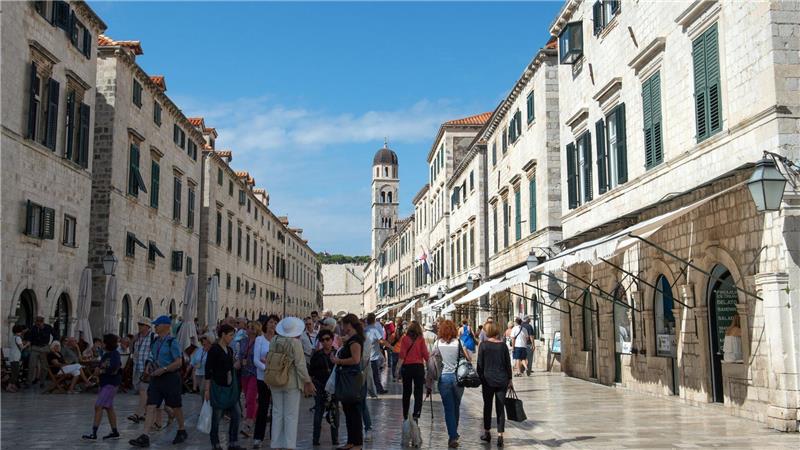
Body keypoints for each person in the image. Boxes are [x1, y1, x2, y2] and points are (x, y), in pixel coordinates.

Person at [129, 316, 188, 448]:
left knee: (175, 406)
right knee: (151, 405)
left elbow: (178, 362)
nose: (155, 327)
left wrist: (164, 369)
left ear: (166, 326)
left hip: (170, 378)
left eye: (157, 325)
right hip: (156, 378)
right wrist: (148, 365)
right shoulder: (156, 341)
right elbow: (152, 355)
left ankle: (182, 429)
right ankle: (145, 436)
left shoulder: (172, 342)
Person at [268, 317, 315, 450]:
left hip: (275, 380)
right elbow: (300, 365)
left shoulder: (274, 340)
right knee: (291, 414)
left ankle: (276, 444)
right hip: (291, 382)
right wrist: (308, 381)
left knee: (277, 413)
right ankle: (289, 445)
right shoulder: (295, 343)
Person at [427, 320, 469, 448]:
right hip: (458, 379)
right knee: (456, 407)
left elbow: (431, 364)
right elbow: (468, 358)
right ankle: (453, 434)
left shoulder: (437, 344)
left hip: (444, 379)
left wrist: (428, 382)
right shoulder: (459, 343)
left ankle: (452, 436)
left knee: (449, 409)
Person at [205, 324, 243, 450]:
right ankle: (215, 443)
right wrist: (207, 389)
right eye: (230, 335)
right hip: (218, 388)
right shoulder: (214, 349)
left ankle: (233, 442)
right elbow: (208, 370)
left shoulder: (230, 350)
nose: (232, 337)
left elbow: (230, 367)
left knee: (237, 414)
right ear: (223, 335)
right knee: (216, 417)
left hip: (230, 388)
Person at [331, 313, 364, 450]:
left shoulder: (355, 341)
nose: (342, 327)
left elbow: (355, 360)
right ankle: (351, 441)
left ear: (349, 325)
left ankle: (357, 443)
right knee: (349, 411)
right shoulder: (352, 339)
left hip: (351, 379)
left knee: (354, 412)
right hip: (348, 378)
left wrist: (338, 361)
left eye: (343, 325)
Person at [477, 321, 512, 447]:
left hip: (487, 380)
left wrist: (480, 378)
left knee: (487, 406)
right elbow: (508, 364)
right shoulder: (503, 346)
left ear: (486, 332)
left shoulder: (483, 346)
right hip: (502, 379)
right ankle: (500, 435)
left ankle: (487, 432)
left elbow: (479, 365)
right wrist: (510, 379)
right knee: (500, 408)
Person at [82, 334, 122, 441]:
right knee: (109, 407)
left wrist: (101, 371)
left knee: (98, 406)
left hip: (111, 384)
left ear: (108, 343)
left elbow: (115, 368)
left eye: (104, 342)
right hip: (105, 383)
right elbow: (100, 366)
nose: (102, 344)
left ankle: (94, 433)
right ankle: (115, 432)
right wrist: (97, 371)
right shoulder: (106, 355)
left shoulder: (115, 354)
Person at [252, 314, 279, 448]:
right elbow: (256, 360)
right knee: (263, 408)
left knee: (276, 409)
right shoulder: (259, 340)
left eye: (275, 322)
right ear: (266, 324)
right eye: (271, 322)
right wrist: (267, 370)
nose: (273, 325)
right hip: (263, 379)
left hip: (276, 380)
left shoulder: (279, 340)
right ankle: (258, 438)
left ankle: (274, 437)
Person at [309, 329, 339, 446]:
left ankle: (335, 440)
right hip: (319, 387)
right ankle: (315, 440)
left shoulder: (337, 354)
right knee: (318, 414)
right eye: (323, 340)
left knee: (334, 414)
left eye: (328, 339)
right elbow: (311, 372)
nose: (325, 342)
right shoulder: (317, 355)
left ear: (332, 340)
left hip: (333, 389)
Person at [396, 321, 429, 421]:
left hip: (407, 368)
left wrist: (397, 369)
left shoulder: (405, 339)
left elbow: (402, 355)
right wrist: (429, 369)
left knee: (406, 392)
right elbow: (426, 355)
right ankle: (416, 413)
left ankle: (405, 414)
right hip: (419, 367)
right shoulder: (421, 339)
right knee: (418, 392)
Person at [128, 319, 154, 425]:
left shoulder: (153, 337)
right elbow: (131, 351)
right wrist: (132, 341)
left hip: (147, 369)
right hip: (137, 368)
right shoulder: (137, 337)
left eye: (142, 325)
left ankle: (137, 414)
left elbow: (154, 353)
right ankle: (146, 413)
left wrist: (149, 366)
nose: (140, 327)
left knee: (143, 391)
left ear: (148, 326)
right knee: (144, 392)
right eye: (139, 324)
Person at [239, 321, 260, 437]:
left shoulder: (258, 342)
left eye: (251, 328)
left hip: (255, 373)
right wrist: (240, 360)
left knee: (250, 397)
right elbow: (240, 354)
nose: (248, 329)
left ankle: (248, 422)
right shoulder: (243, 341)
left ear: (256, 330)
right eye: (248, 327)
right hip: (244, 372)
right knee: (247, 397)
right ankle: (254, 416)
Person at [24, 315, 55, 387]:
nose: (38, 324)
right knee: (31, 365)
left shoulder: (48, 327)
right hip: (35, 348)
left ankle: (42, 382)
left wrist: (52, 344)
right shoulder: (33, 328)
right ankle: (29, 382)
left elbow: (55, 335)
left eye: (39, 323)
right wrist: (28, 342)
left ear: (42, 322)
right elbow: (28, 337)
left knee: (44, 366)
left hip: (44, 347)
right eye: (36, 323)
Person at [364, 313, 387, 395]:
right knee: (375, 374)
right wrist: (391, 347)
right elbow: (381, 340)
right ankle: (378, 389)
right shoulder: (374, 330)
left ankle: (367, 389)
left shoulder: (364, 329)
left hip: (365, 356)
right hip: (373, 356)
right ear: (374, 320)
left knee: (367, 375)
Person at [5, 325, 27, 392]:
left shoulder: (13, 337)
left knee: (14, 372)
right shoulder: (18, 338)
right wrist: (27, 344)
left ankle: (13, 385)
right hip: (15, 357)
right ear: (19, 331)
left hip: (12, 356)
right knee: (15, 373)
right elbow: (21, 347)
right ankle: (9, 386)